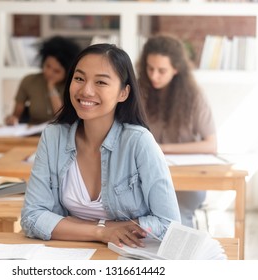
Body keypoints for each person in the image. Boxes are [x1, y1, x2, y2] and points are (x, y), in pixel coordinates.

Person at [22, 43, 180, 248]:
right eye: (79, 78)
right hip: (70, 255)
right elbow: (32, 217)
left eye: (101, 82)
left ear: (123, 93)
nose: (86, 90)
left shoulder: (139, 142)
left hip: (126, 257)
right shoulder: (53, 137)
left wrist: (72, 224)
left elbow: (169, 224)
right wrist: (101, 231)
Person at [137, 33, 217, 228]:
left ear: (176, 69)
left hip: (188, 179)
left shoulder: (194, 95)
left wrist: (162, 148)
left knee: (178, 218)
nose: (154, 76)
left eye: (161, 70)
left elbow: (211, 145)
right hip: (145, 176)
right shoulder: (137, 92)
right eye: (150, 68)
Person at [5, 36, 81, 125]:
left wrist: (51, 87)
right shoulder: (29, 81)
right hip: (33, 133)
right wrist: (11, 119)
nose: (49, 73)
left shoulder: (73, 86)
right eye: (47, 66)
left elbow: (61, 117)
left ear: (68, 72)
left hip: (61, 132)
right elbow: (16, 115)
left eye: (56, 71)